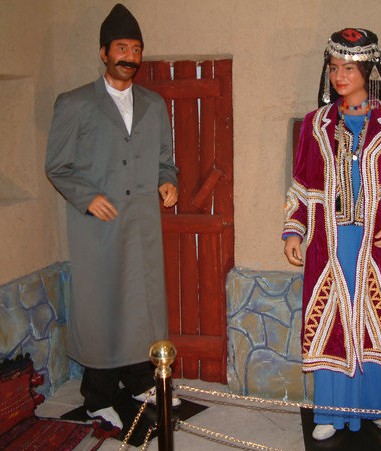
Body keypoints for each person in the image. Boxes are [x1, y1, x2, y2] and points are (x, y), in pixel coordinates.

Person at [282, 28, 381, 441]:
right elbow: (301, 185)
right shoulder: (315, 124)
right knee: (332, 322)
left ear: (368, 71)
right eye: (334, 68)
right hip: (330, 245)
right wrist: (294, 230)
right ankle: (330, 413)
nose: (339, 76)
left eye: (349, 68)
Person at [45, 4, 179, 430]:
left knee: (143, 304)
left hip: (142, 225)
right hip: (99, 227)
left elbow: (165, 161)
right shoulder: (75, 104)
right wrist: (87, 198)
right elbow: (57, 166)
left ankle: (140, 381)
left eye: (136, 49)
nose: (130, 57)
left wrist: (168, 181)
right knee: (103, 306)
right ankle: (97, 397)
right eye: (122, 48)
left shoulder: (154, 105)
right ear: (103, 52)